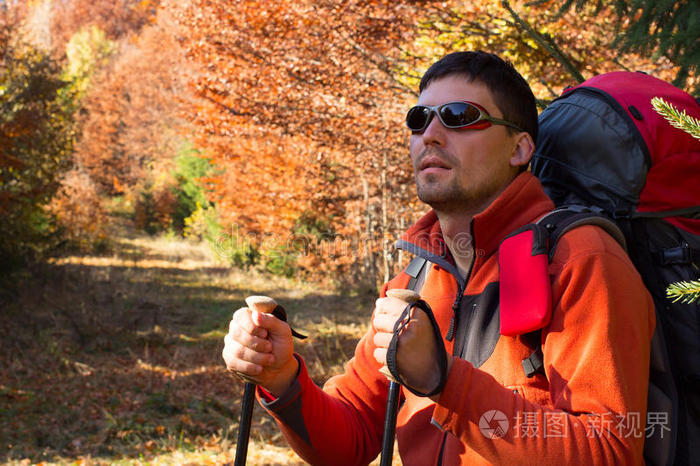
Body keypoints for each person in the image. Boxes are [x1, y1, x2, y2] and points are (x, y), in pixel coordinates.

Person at [222, 51, 655, 465]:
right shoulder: (415, 277)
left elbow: (609, 451)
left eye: (460, 117)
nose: (430, 133)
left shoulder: (580, 260)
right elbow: (352, 436)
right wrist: (282, 379)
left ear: (520, 149)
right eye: (419, 119)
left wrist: (443, 380)